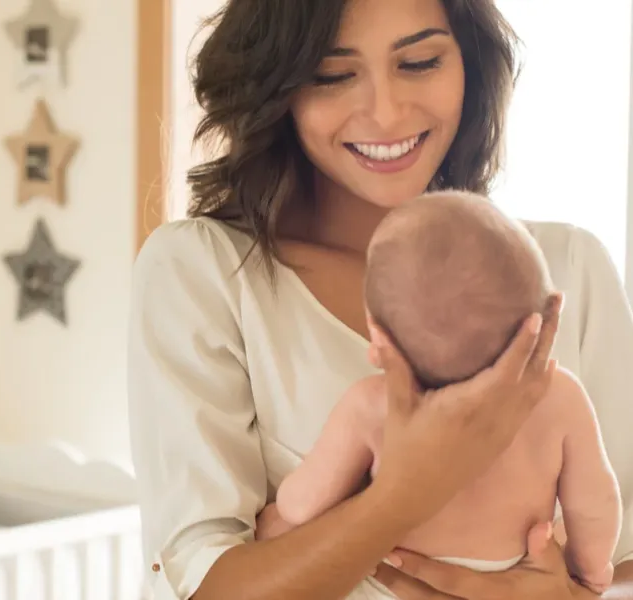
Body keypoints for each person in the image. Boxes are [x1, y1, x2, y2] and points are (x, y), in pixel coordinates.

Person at [127, 0, 633, 598]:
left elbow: (621, 558)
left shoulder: (569, 268)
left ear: (467, 62)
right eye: (333, 75)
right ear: (277, 86)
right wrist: (402, 496)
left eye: (419, 62)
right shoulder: (204, 272)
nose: (386, 112)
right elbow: (204, 584)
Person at [263, 191, 622, 596]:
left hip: (399, 574)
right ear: (544, 317)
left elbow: (304, 503)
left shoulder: (371, 405)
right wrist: (590, 569)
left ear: (376, 336)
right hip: (513, 566)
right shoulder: (558, 396)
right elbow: (595, 502)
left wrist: (278, 516)